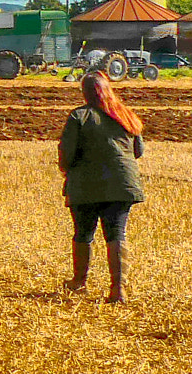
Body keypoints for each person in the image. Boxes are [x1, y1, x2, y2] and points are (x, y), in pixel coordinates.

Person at [59, 69, 144, 303]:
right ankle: (118, 289)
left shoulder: (79, 116)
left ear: (85, 93)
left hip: (85, 185)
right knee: (116, 232)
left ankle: (79, 282)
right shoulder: (125, 115)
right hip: (122, 183)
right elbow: (138, 151)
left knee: (84, 233)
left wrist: (67, 170)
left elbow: (66, 154)